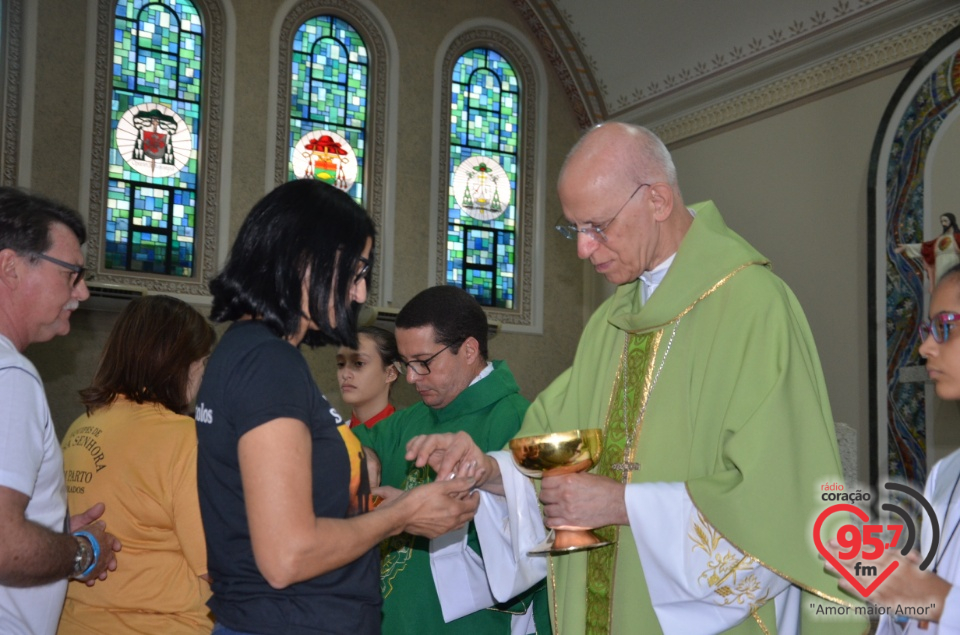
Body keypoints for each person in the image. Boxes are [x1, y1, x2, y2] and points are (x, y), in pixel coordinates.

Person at [406, 123, 866, 634]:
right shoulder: (614, 321)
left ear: (658, 201)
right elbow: (566, 444)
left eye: (597, 226)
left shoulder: (755, 307)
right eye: (573, 229)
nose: (583, 249)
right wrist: (490, 471)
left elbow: (779, 494)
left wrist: (625, 504)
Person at [194, 180, 481, 635]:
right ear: (304, 260)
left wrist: (368, 506)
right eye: (356, 270)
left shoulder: (244, 350)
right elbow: (288, 554)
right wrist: (402, 516)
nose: (362, 293)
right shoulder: (269, 362)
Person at [353, 285, 547, 635]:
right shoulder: (412, 418)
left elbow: (533, 537)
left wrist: (412, 511)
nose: (411, 378)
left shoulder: (521, 421)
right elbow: (353, 445)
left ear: (469, 350)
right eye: (405, 363)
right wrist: (361, 457)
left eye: (424, 363)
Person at [57, 295, 217, 635]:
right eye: (204, 362)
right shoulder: (184, 439)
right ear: (182, 363)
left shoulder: (80, 427)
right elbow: (216, 567)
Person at [0, 187, 121, 634]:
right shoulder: (11, 375)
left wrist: (44, 528)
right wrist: (81, 552)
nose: (83, 292)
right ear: (10, 267)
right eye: (72, 274)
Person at [826, 264, 960, 633]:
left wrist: (935, 598)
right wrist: (898, 597)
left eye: (945, 327)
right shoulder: (945, 476)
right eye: (927, 329)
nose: (925, 346)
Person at [337, 326, 400, 429]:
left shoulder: (408, 438)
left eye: (359, 363)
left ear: (391, 373)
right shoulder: (332, 438)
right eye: (341, 364)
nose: (345, 374)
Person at [895, 213, 960, 293]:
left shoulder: (957, 237)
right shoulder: (938, 240)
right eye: (942, 221)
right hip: (940, 266)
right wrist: (906, 247)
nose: (943, 223)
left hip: (953, 264)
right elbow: (925, 247)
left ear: (952, 221)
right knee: (940, 288)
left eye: (945, 221)